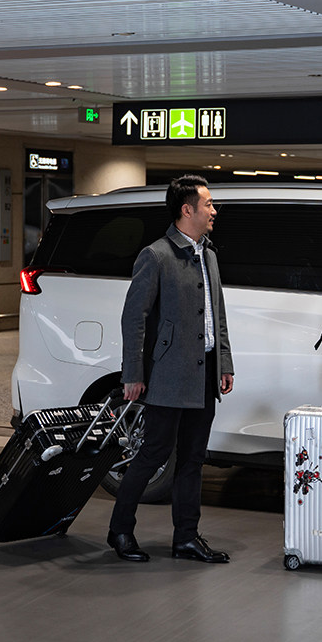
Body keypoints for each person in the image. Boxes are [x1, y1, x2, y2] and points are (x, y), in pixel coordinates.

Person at [107, 174, 234, 564]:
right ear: (187, 210)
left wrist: (224, 362)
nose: (214, 211)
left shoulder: (208, 254)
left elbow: (217, 316)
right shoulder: (156, 255)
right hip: (167, 374)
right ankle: (120, 530)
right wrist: (133, 374)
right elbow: (134, 318)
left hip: (204, 373)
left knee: (193, 458)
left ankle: (186, 538)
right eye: (208, 204)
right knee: (153, 454)